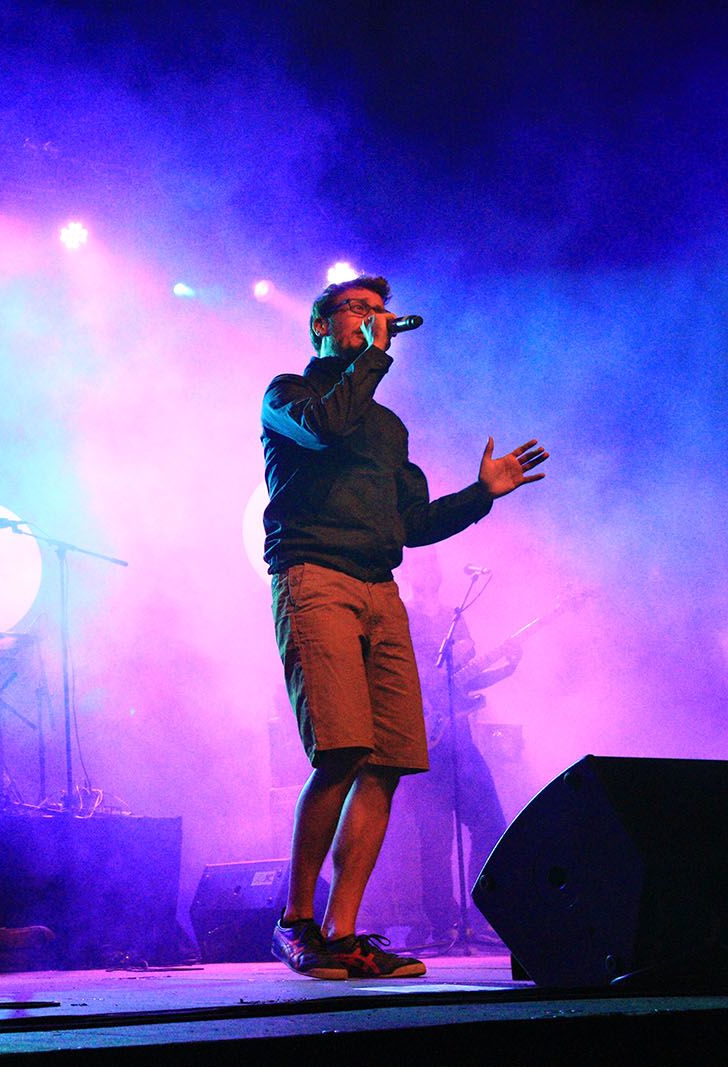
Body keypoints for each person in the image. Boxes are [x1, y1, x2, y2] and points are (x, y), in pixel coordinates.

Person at [261, 274, 547, 979]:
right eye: (355, 309)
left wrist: (484, 493)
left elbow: (412, 525)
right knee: (341, 747)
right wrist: (372, 360)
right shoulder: (288, 394)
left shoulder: (388, 428)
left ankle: (345, 930)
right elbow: (327, 428)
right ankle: (297, 921)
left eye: (377, 311)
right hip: (315, 576)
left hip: (381, 587)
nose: (371, 318)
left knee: (388, 757)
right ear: (320, 327)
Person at [400, 552, 519, 944]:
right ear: (409, 572)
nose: (427, 571)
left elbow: (466, 681)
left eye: (432, 564)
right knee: (435, 837)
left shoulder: (454, 614)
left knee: (491, 824)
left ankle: (483, 912)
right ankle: (442, 923)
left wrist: (507, 668)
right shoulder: (405, 614)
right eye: (420, 565)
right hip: (424, 740)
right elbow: (400, 668)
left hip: (461, 740)